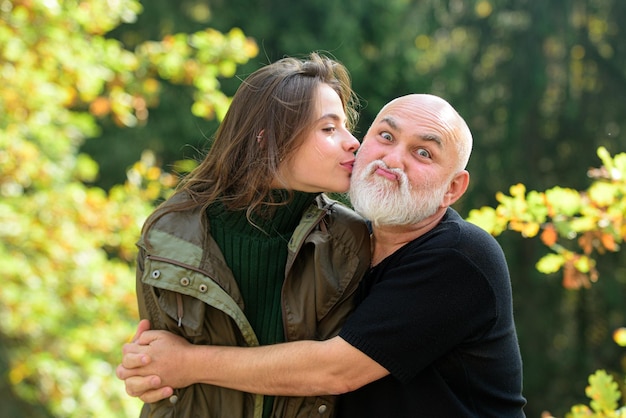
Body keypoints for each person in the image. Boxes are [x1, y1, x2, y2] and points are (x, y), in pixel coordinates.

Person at [118, 94, 527, 417]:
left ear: (453, 189)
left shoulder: (460, 257)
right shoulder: (338, 243)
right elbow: (267, 352)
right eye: (386, 136)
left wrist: (186, 364)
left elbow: (334, 370)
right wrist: (153, 370)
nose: (393, 158)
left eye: (423, 153)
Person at [125, 52, 372, 418]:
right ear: (266, 139)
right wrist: (144, 367)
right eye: (329, 128)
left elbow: (336, 372)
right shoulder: (170, 233)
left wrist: (186, 362)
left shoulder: (350, 241)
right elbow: (157, 372)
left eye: (345, 127)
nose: (354, 142)